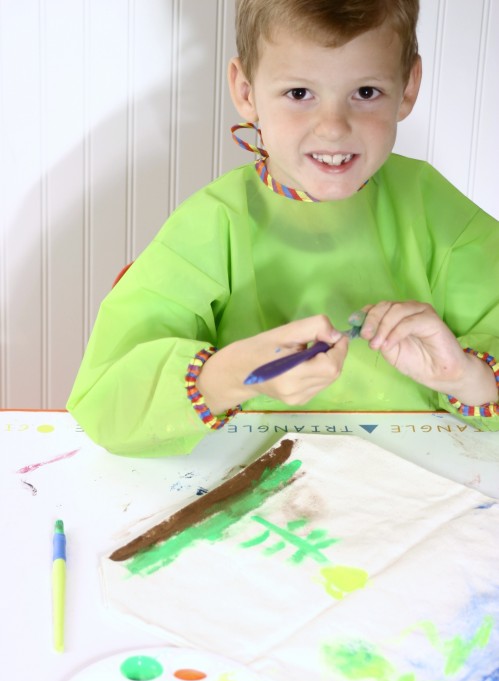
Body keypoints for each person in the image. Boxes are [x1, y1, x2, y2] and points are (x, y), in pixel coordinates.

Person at [67, 0, 499, 457]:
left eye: (366, 92)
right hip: (245, 493)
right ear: (246, 91)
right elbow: (103, 404)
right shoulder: (214, 224)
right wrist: (224, 376)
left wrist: (466, 377)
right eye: (299, 94)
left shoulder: (437, 212)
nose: (333, 129)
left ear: (408, 87)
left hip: (424, 491)